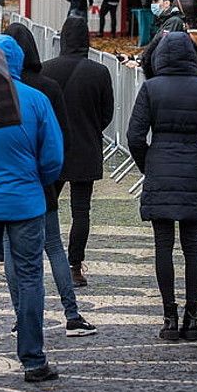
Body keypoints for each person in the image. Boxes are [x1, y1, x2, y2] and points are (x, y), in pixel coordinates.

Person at [0, 35, 64, 388]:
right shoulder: (36, 101)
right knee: (30, 278)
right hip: (26, 203)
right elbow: (53, 158)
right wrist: (35, 179)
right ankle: (33, 360)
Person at [126, 32, 197, 343]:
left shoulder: (150, 89)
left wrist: (149, 165)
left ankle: (169, 318)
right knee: (192, 247)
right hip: (192, 171)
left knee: (163, 247)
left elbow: (134, 136)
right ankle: (192, 318)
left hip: (160, 168)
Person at [2, 24, 94, 336]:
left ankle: (20, 317)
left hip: (3, 187)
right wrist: (50, 180)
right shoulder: (47, 88)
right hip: (41, 183)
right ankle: (71, 313)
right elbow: (60, 140)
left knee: (11, 254)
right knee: (54, 247)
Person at [41, 17, 114, 289]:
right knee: (81, 211)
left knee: (47, 207)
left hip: (54, 149)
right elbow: (106, 114)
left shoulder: (47, 70)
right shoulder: (100, 72)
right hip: (86, 147)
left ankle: (37, 257)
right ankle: (75, 265)